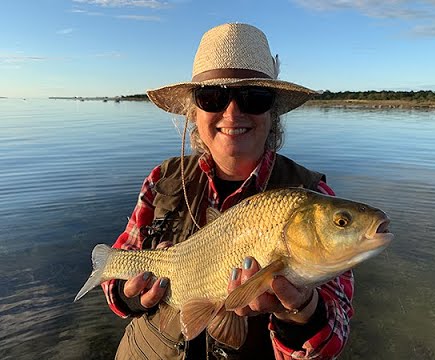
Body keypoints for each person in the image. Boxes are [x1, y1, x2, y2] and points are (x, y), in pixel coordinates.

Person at [101, 23, 354, 360]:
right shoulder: (161, 178)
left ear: (273, 111)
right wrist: (130, 294)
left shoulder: (312, 194)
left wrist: (301, 312)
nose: (233, 112)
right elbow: (117, 264)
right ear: (194, 112)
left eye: (254, 97)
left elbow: (335, 332)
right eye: (212, 97)